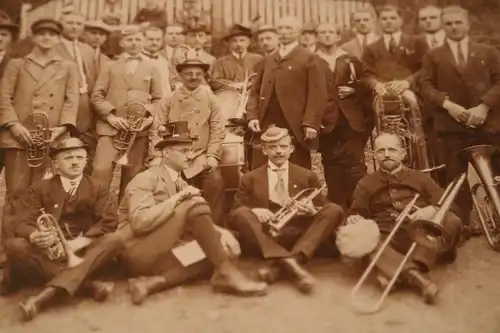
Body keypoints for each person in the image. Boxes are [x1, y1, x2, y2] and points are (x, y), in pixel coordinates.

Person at [117, 120, 267, 305]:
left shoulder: (181, 182)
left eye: (191, 150)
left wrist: (220, 232)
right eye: (184, 151)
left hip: (162, 252)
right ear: (166, 153)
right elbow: (140, 223)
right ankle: (227, 273)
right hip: (136, 252)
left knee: (218, 251)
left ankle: (151, 283)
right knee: (195, 204)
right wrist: (179, 198)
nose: (190, 156)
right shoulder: (145, 179)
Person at [3, 137, 122, 320]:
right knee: (15, 246)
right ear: (56, 163)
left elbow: (109, 221)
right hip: (48, 252)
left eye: (79, 157)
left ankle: (41, 299)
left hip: (84, 251)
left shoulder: (99, 188)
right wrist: (35, 235)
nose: (74, 162)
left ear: (86, 161)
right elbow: (22, 221)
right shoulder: (39, 188)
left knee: (114, 240)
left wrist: (77, 244)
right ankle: (88, 284)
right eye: (68, 158)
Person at [345, 132, 462, 304]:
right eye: (381, 150)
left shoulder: (421, 178)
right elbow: (357, 212)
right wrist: (355, 219)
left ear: (403, 153)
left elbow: (450, 205)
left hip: (424, 235)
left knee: (451, 219)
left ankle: (391, 271)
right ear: (374, 155)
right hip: (389, 238)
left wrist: (431, 209)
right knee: (363, 236)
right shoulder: (366, 183)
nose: (386, 155)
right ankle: (418, 279)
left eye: (392, 150)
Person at [228, 126, 343, 293]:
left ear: (291, 149)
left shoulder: (307, 175)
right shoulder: (250, 178)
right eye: (273, 147)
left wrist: (313, 210)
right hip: (266, 236)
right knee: (241, 214)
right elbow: (234, 215)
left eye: (283, 146)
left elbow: (324, 208)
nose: (279, 151)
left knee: (334, 209)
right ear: (264, 150)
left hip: (300, 234)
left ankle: (286, 263)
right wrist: (254, 212)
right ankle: (292, 263)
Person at [419, 6, 500, 234]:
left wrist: (484, 106)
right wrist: (448, 105)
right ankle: (460, 225)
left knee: (497, 175)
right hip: (451, 125)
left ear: (467, 24)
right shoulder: (433, 55)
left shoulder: (488, 51)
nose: (453, 27)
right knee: (455, 177)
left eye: (457, 23)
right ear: (443, 27)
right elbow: (424, 85)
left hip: (488, 124)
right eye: (449, 24)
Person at [0, 18, 78, 199]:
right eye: (41, 33)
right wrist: (13, 125)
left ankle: (41, 227)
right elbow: (3, 97)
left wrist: (62, 128)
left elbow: (71, 100)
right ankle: (13, 228)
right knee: (16, 191)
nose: (46, 37)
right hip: (19, 136)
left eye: (52, 34)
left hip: (51, 136)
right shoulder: (17, 64)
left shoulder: (68, 67)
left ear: (59, 39)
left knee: (46, 190)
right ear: (33, 37)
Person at [149, 55, 226, 225]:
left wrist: (213, 155)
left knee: (215, 181)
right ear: (180, 76)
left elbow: (217, 129)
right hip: (174, 154)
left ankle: (214, 225)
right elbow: (157, 128)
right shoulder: (169, 99)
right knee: (162, 183)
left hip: (201, 153)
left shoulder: (211, 99)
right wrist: (157, 155)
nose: (193, 77)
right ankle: (172, 225)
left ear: (204, 76)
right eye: (188, 74)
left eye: (198, 74)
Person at [91, 25, 163, 202]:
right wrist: (110, 117)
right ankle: (97, 214)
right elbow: (96, 96)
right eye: (129, 40)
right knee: (101, 170)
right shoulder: (110, 66)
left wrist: (148, 120)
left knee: (132, 175)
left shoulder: (152, 67)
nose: (134, 43)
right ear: (122, 43)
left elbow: (158, 99)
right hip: (110, 130)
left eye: (138, 39)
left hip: (138, 133)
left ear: (143, 42)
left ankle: (124, 218)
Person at [246, 16, 327, 169]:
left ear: (299, 32)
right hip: (266, 122)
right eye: (280, 29)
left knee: (296, 168)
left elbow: (317, 94)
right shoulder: (268, 60)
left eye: (288, 28)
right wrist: (252, 116)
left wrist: (311, 123)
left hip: (295, 125)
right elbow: (255, 92)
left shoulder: (309, 58)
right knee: (262, 166)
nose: (283, 32)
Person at [315, 23, 373, 209]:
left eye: (331, 31)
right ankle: (337, 209)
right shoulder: (312, 60)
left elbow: (367, 80)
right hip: (326, 121)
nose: (327, 35)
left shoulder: (349, 59)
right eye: (322, 32)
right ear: (317, 36)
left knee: (355, 165)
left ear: (338, 36)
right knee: (332, 164)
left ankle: (360, 207)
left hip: (351, 120)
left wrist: (353, 89)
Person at [56, 11, 100, 171]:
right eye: (70, 23)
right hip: (61, 106)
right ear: (61, 24)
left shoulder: (87, 49)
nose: (75, 27)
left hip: (86, 107)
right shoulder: (53, 47)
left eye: (78, 23)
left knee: (85, 150)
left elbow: (94, 78)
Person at [362, 5, 428, 103]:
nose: (388, 21)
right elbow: (365, 74)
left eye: (393, 18)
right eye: (384, 19)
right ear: (379, 22)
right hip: (382, 97)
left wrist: (408, 82)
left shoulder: (417, 42)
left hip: (412, 94)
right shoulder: (371, 48)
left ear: (401, 20)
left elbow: (427, 68)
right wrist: (376, 85)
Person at [210, 24, 263, 92]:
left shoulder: (258, 59)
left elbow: (264, 78)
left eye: (242, 40)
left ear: (248, 42)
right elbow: (216, 81)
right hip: (230, 96)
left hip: (253, 95)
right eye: (234, 41)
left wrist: (250, 84)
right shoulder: (221, 62)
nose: (238, 44)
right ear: (229, 43)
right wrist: (234, 85)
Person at [142, 25, 172, 101]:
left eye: (158, 39)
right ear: (142, 40)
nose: (154, 42)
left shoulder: (163, 61)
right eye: (150, 39)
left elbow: (166, 86)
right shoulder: (137, 60)